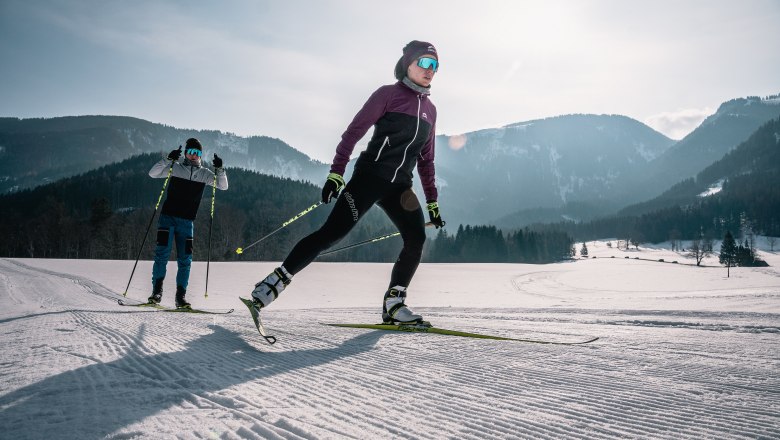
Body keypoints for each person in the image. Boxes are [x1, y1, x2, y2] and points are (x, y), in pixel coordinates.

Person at [247, 40, 445, 324]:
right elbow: (353, 132)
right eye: (424, 62)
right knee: (330, 234)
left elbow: (427, 160)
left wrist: (432, 202)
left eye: (435, 65)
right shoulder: (388, 95)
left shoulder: (431, 111)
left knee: (416, 238)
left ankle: (394, 304)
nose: (430, 70)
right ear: (408, 64)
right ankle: (271, 285)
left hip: (400, 186)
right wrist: (336, 172)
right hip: (369, 178)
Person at [147, 138, 228, 308]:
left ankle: (180, 297)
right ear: (185, 153)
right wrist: (168, 159)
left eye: (197, 153)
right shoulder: (175, 168)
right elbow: (152, 173)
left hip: (187, 223)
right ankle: (156, 293)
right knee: (161, 255)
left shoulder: (205, 174)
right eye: (190, 152)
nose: (193, 156)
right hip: (167, 219)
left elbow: (222, 186)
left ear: (200, 155)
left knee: (185, 260)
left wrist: (220, 169)